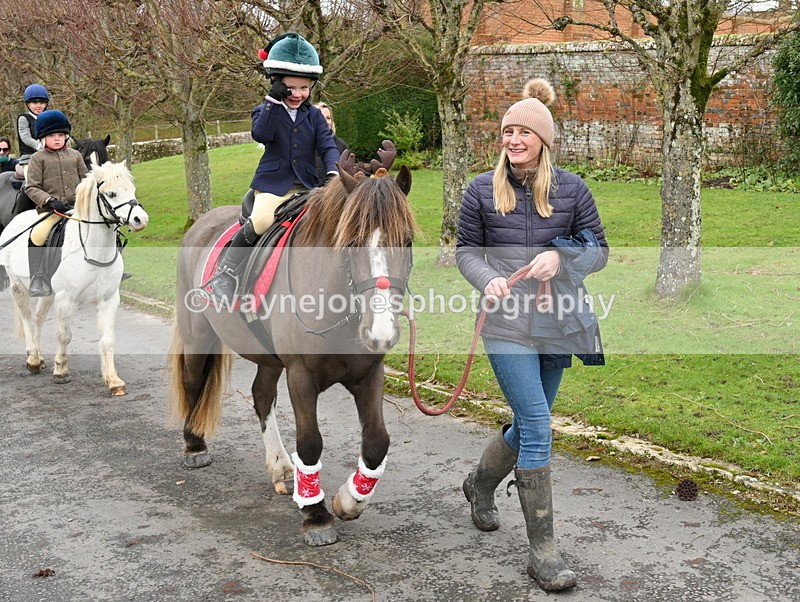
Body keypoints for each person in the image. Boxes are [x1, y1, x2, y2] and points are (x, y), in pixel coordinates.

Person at [456, 78, 608, 592]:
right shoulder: (480, 189)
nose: (513, 139)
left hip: (556, 322)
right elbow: (466, 252)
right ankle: (542, 552)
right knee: (539, 423)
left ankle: (479, 484)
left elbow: (599, 251)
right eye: (507, 131)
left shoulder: (573, 189)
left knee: (527, 424)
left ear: (543, 138)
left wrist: (560, 256)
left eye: (523, 131)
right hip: (505, 323)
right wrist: (486, 278)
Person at [208, 32, 340, 302]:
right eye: (291, 88)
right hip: (274, 186)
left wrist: (333, 173)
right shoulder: (264, 111)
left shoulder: (314, 115)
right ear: (277, 84)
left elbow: (327, 146)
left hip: (307, 186)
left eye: (305, 88)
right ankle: (227, 273)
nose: (299, 94)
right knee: (261, 220)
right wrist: (272, 102)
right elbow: (261, 134)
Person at [24, 110, 88, 297]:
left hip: (77, 209)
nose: (57, 139)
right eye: (52, 136)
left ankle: (112, 266)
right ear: (43, 138)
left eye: (60, 135)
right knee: (38, 234)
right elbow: (31, 187)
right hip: (51, 211)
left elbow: (86, 180)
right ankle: (38, 277)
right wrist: (49, 200)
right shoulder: (38, 158)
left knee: (104, 226)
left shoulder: (75, 155)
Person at [17, 84, 51, 172]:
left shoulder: (49, 118)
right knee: (31, 179)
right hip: (29, 158)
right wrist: (39, 146)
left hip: (49, 155)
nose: (39, 106)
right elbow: (26, 137)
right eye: (35, 102)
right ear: (28, 103)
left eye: (42, 103)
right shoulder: (23, 119)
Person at [314, 102, 349, 180]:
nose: (325, 122)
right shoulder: (300, 143)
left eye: (328, 118)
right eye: (321, 118)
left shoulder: (341, 145)